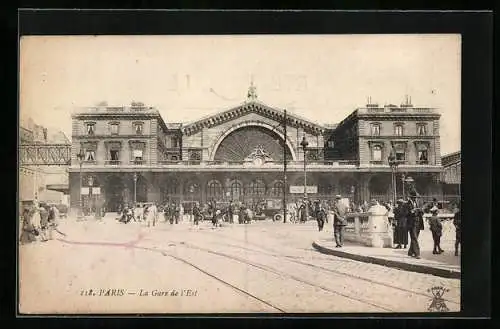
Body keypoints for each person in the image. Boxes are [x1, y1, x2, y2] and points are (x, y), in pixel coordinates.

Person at [406, 190, 425, 259]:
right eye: (413, 197)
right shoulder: (407, 204)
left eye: (416, 197)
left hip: (418, 222)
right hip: (411, 223)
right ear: (410, 197)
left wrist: (421, 211)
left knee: (415, 237)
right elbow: (405, 214)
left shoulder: (418, 203)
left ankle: (410, 252)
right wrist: (411, 212)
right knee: (414, 238)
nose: (415, 198)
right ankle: (417, 253)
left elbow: (422, 212)